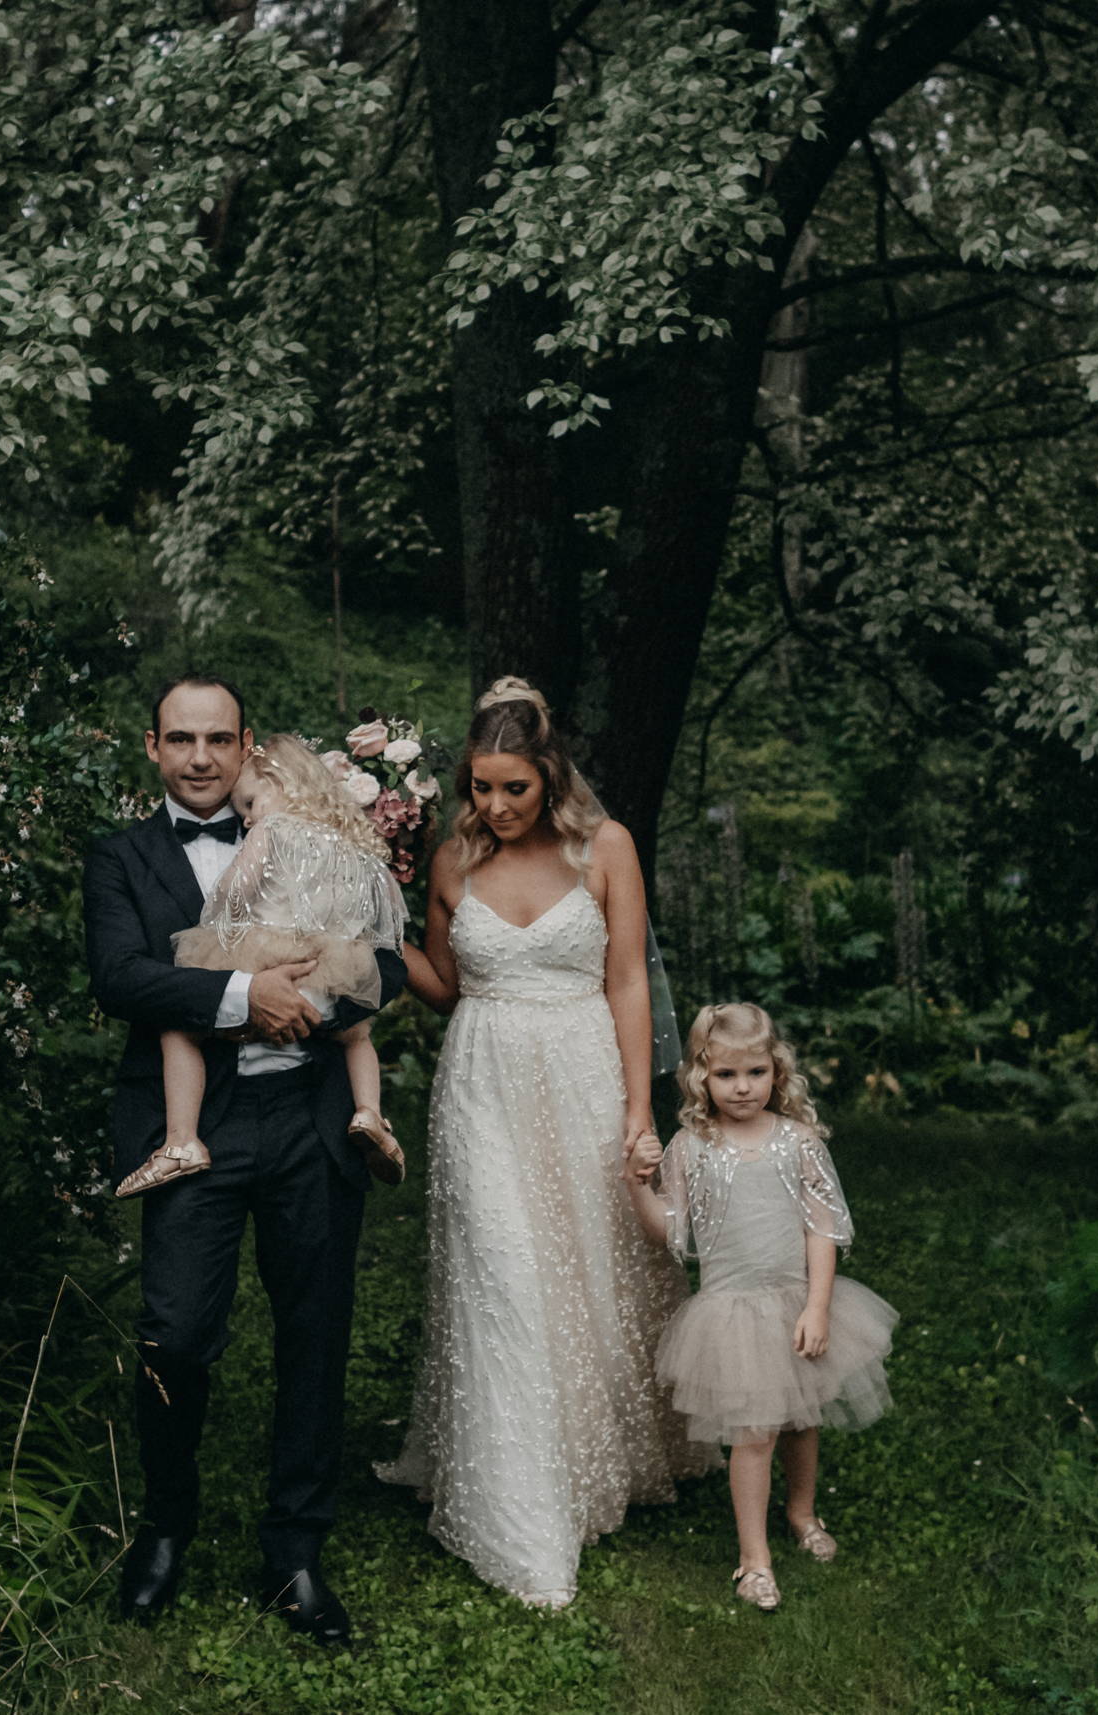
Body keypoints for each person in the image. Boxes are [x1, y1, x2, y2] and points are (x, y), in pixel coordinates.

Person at [82, 676, 410, 1647]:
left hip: (311, 1115)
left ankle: (295, 1549)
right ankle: (166, 1528)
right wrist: (243, 994)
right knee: (175, 1333)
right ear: (151, 746)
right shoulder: (123, 857)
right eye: (179, 738)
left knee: (315, 1329)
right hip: (197, 1126)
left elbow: (387, 961)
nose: (198, 756)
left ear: (245, 744)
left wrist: (318, 999)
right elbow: (121, 974)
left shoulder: (313, 829)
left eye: (217, 738)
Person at [377, 678, 713, 1608]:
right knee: (503, 1265)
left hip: (580, 1071)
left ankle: (607, 1452)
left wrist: (641, 1110)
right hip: (480, 1081)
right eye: (480, 787)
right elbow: (443, 983)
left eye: (513, 788)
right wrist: (369, 925)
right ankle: (517, 1503)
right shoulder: (450, 860)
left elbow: (630, 982)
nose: (495, 806)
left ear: (549, 775)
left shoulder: (606, 848)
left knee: (591, 1262)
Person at [627, 1002, 898, 1612]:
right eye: (726, 1076)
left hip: (795, 1302)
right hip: (731, 1313)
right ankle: (754, 1560)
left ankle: (802, 1512)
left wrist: (819, 1307)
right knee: (752, 1433)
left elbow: (821, 1229)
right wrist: (636, 1185)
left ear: (777, 1071)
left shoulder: (798, 1142)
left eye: (755, 1072)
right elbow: (667, 1232)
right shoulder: (692, 1146)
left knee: (803, 1419)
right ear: (702, 1077)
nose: (743, 1087)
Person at [116, 734, 409, 1198]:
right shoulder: (354, 847)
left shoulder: (271, 832)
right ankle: (370, 1113)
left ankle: (182, 1141)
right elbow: (384, 918)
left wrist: (219, 920)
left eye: (250, 803)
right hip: (328, 973)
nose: (248, 817)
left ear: (280, 782)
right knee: (357, 1036)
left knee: (179, 1030)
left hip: (268, 964)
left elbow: (236, 892)